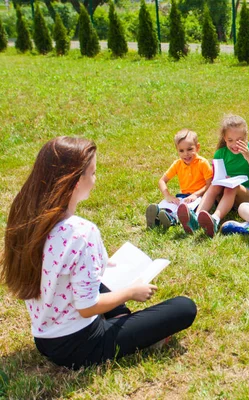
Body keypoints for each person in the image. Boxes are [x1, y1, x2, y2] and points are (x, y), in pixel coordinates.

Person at [1, 137, 197, 369]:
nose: (94, 181)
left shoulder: (27, 219)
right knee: (184, 307)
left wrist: (101, 266)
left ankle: (119, 318)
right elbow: (87, 307)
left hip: (44, 337)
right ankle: (124, 322)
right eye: (92, 173)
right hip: (83, 343)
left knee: (105, 278)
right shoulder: (81, 232)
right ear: (75, 181)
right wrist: (130, 293)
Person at [187, 115, 249, 237]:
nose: (235, 144)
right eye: (230, 140)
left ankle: (215, 219)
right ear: (225, 138)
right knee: (215, 186)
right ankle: (196, 217)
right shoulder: (220, 153)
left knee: (233, 187)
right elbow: (216, 179)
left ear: (246, 137)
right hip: (225, 196)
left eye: (239, 140)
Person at [145, 129, 213, 231]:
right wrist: (168, 196)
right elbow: (162, 181)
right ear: (177, 150)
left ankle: (171, 219)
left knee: (185, 209)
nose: (186, 154)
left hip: (199, 197)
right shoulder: (177, 164)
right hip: (182, 196)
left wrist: (196, 194)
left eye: (190, 149)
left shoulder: (202, 163)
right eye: (181, 151)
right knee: (168, 204)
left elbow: (210, 184)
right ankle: (158, 216)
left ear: (197, 147)